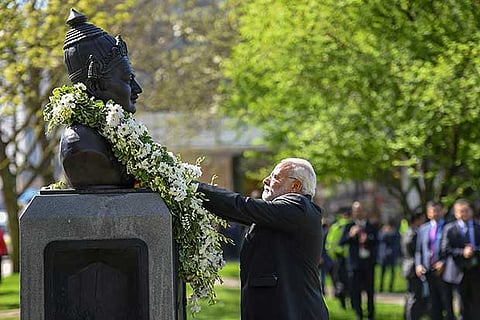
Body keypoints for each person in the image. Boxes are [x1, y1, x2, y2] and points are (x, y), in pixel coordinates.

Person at [196, 158, 329, 319]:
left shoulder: (299, 207)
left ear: (295, 186)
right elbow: (239, 211)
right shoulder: (285, 213)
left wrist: (192, 187)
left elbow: (242, 207)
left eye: (275, 177)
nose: (266, 180)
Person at [60, 9, 143, 188]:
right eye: (128, 80)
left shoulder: (114, 134)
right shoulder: (80, 145)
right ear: (96, 86)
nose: (138, 89)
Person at [441, 199, 480, 320]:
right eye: (461, 211)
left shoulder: (478, 227)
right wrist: (462, 252)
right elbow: (445, 249)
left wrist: (474, 251)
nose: (464, 214)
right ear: (456, 213)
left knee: (476, 302)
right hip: (458, 272)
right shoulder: (449, 228)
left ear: (471, 211)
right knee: (462, 303)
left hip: (476, 271)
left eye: (466, 211)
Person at [415, 201, 454, 320]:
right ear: (428, 213)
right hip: (428, 271)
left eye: (438, 210)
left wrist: (444, 262)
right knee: (432, 305)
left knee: (447, 303)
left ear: (442, 211)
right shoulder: (423, 229)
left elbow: (451, 249)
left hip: (444, 271)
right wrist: (418, 264)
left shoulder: (449, 227)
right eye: (432, 211)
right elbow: (418, 251)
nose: (435, 213)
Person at [340, 201, 378, 320]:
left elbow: (377, 240)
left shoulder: (371, 226)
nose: (358, 213)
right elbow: (342, 242)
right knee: (355, 291)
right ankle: (359, 314)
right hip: (355, 264)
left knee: (370, 290)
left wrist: (369, 238)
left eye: (360, 210)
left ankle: (371, 314)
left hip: (368, 263)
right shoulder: (349, 226)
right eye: (356, 211)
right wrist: (351, 236)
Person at [402, 210, 428, 320]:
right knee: (415, 297)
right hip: (413, 268)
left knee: (411, 296)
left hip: (408, 267)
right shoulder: (414, 234)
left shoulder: (407, 232)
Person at [325, 206, 352, 309]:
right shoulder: (348, 225)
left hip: (336, 258)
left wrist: (332, 255)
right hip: (344, 257)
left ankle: (343, 303)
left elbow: (329, 244)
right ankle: (346, 303)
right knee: (346, 281)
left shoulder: (336, 226)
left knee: (339, 281)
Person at [377, 218, 401, 292]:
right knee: (382, 272)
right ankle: (381, 286)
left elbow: (397, 242)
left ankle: (391, 287)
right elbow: (380, 239)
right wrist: (385, 232)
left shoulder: (395, 233)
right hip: (384, 255)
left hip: (392, 255)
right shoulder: (382, 232)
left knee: (392, 272)